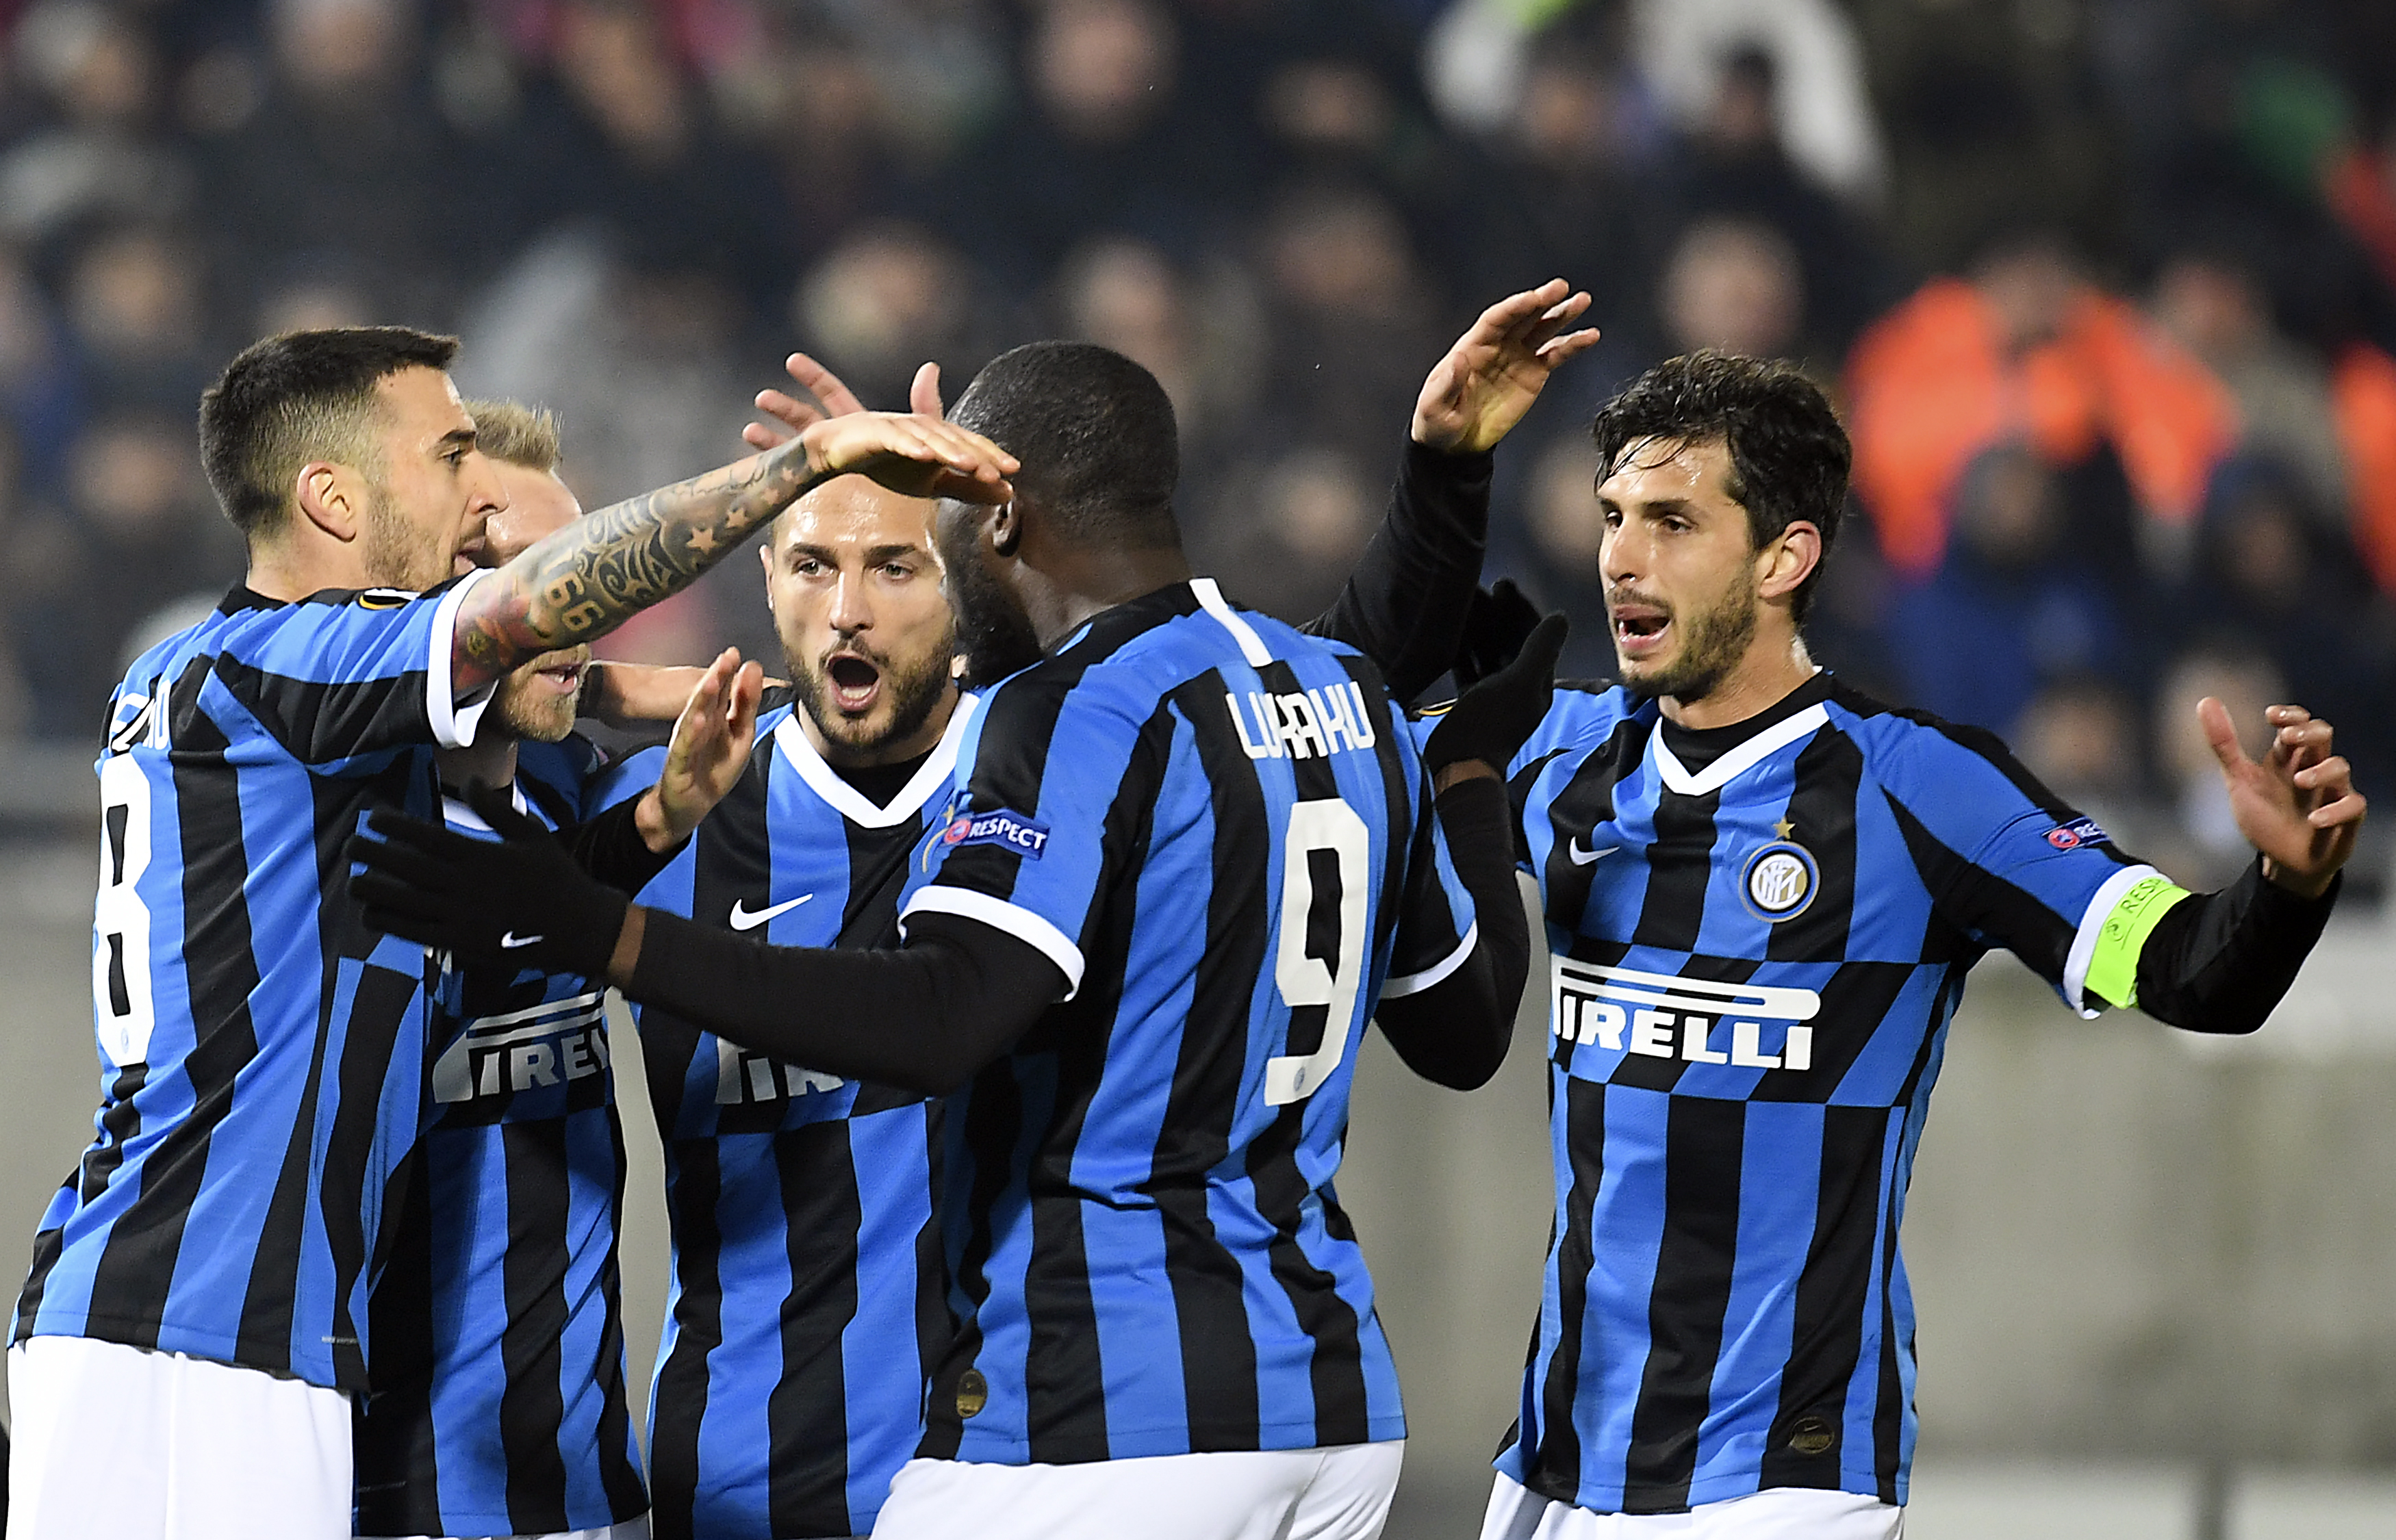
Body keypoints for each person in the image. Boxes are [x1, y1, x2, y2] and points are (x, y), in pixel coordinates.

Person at [346, 340, 1562, 1540]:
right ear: (762, 582)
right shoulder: (648, 822)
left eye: (892, 561)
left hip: (1024, 1441)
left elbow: (1236, 680)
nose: (849, 608)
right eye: (813, 564)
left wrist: (1440, 491)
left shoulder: (1044, 765)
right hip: (746, 1479)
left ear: (968, 563)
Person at [7, 325, 1012, 1540]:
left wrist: (658, 807)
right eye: (444, 463)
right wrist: (802, 470)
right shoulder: (275, 666)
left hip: (245, 1339)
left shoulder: (298, 734)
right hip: (190, 1327)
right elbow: (522, 620)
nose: (467, 507)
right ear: (333, 497)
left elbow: (501, 911)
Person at [1466, 351, 2365, 1539]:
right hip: (1554, 1466)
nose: (1622, 559)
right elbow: (1306, 763)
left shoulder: (1919, 785)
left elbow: (2191, 971)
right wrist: (1438, 474)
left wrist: (2285, 887)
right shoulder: (1557, 750)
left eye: (1674, 522)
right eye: (1616, 518)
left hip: (1787, 1479)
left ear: (1786, 556)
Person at [351, 401, 764, 1540]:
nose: (582, 616)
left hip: (588, 1484)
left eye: (592, 586)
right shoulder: (344, 822)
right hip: (397, 1493)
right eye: (547, 585)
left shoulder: (565, 791)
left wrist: (593, 687)